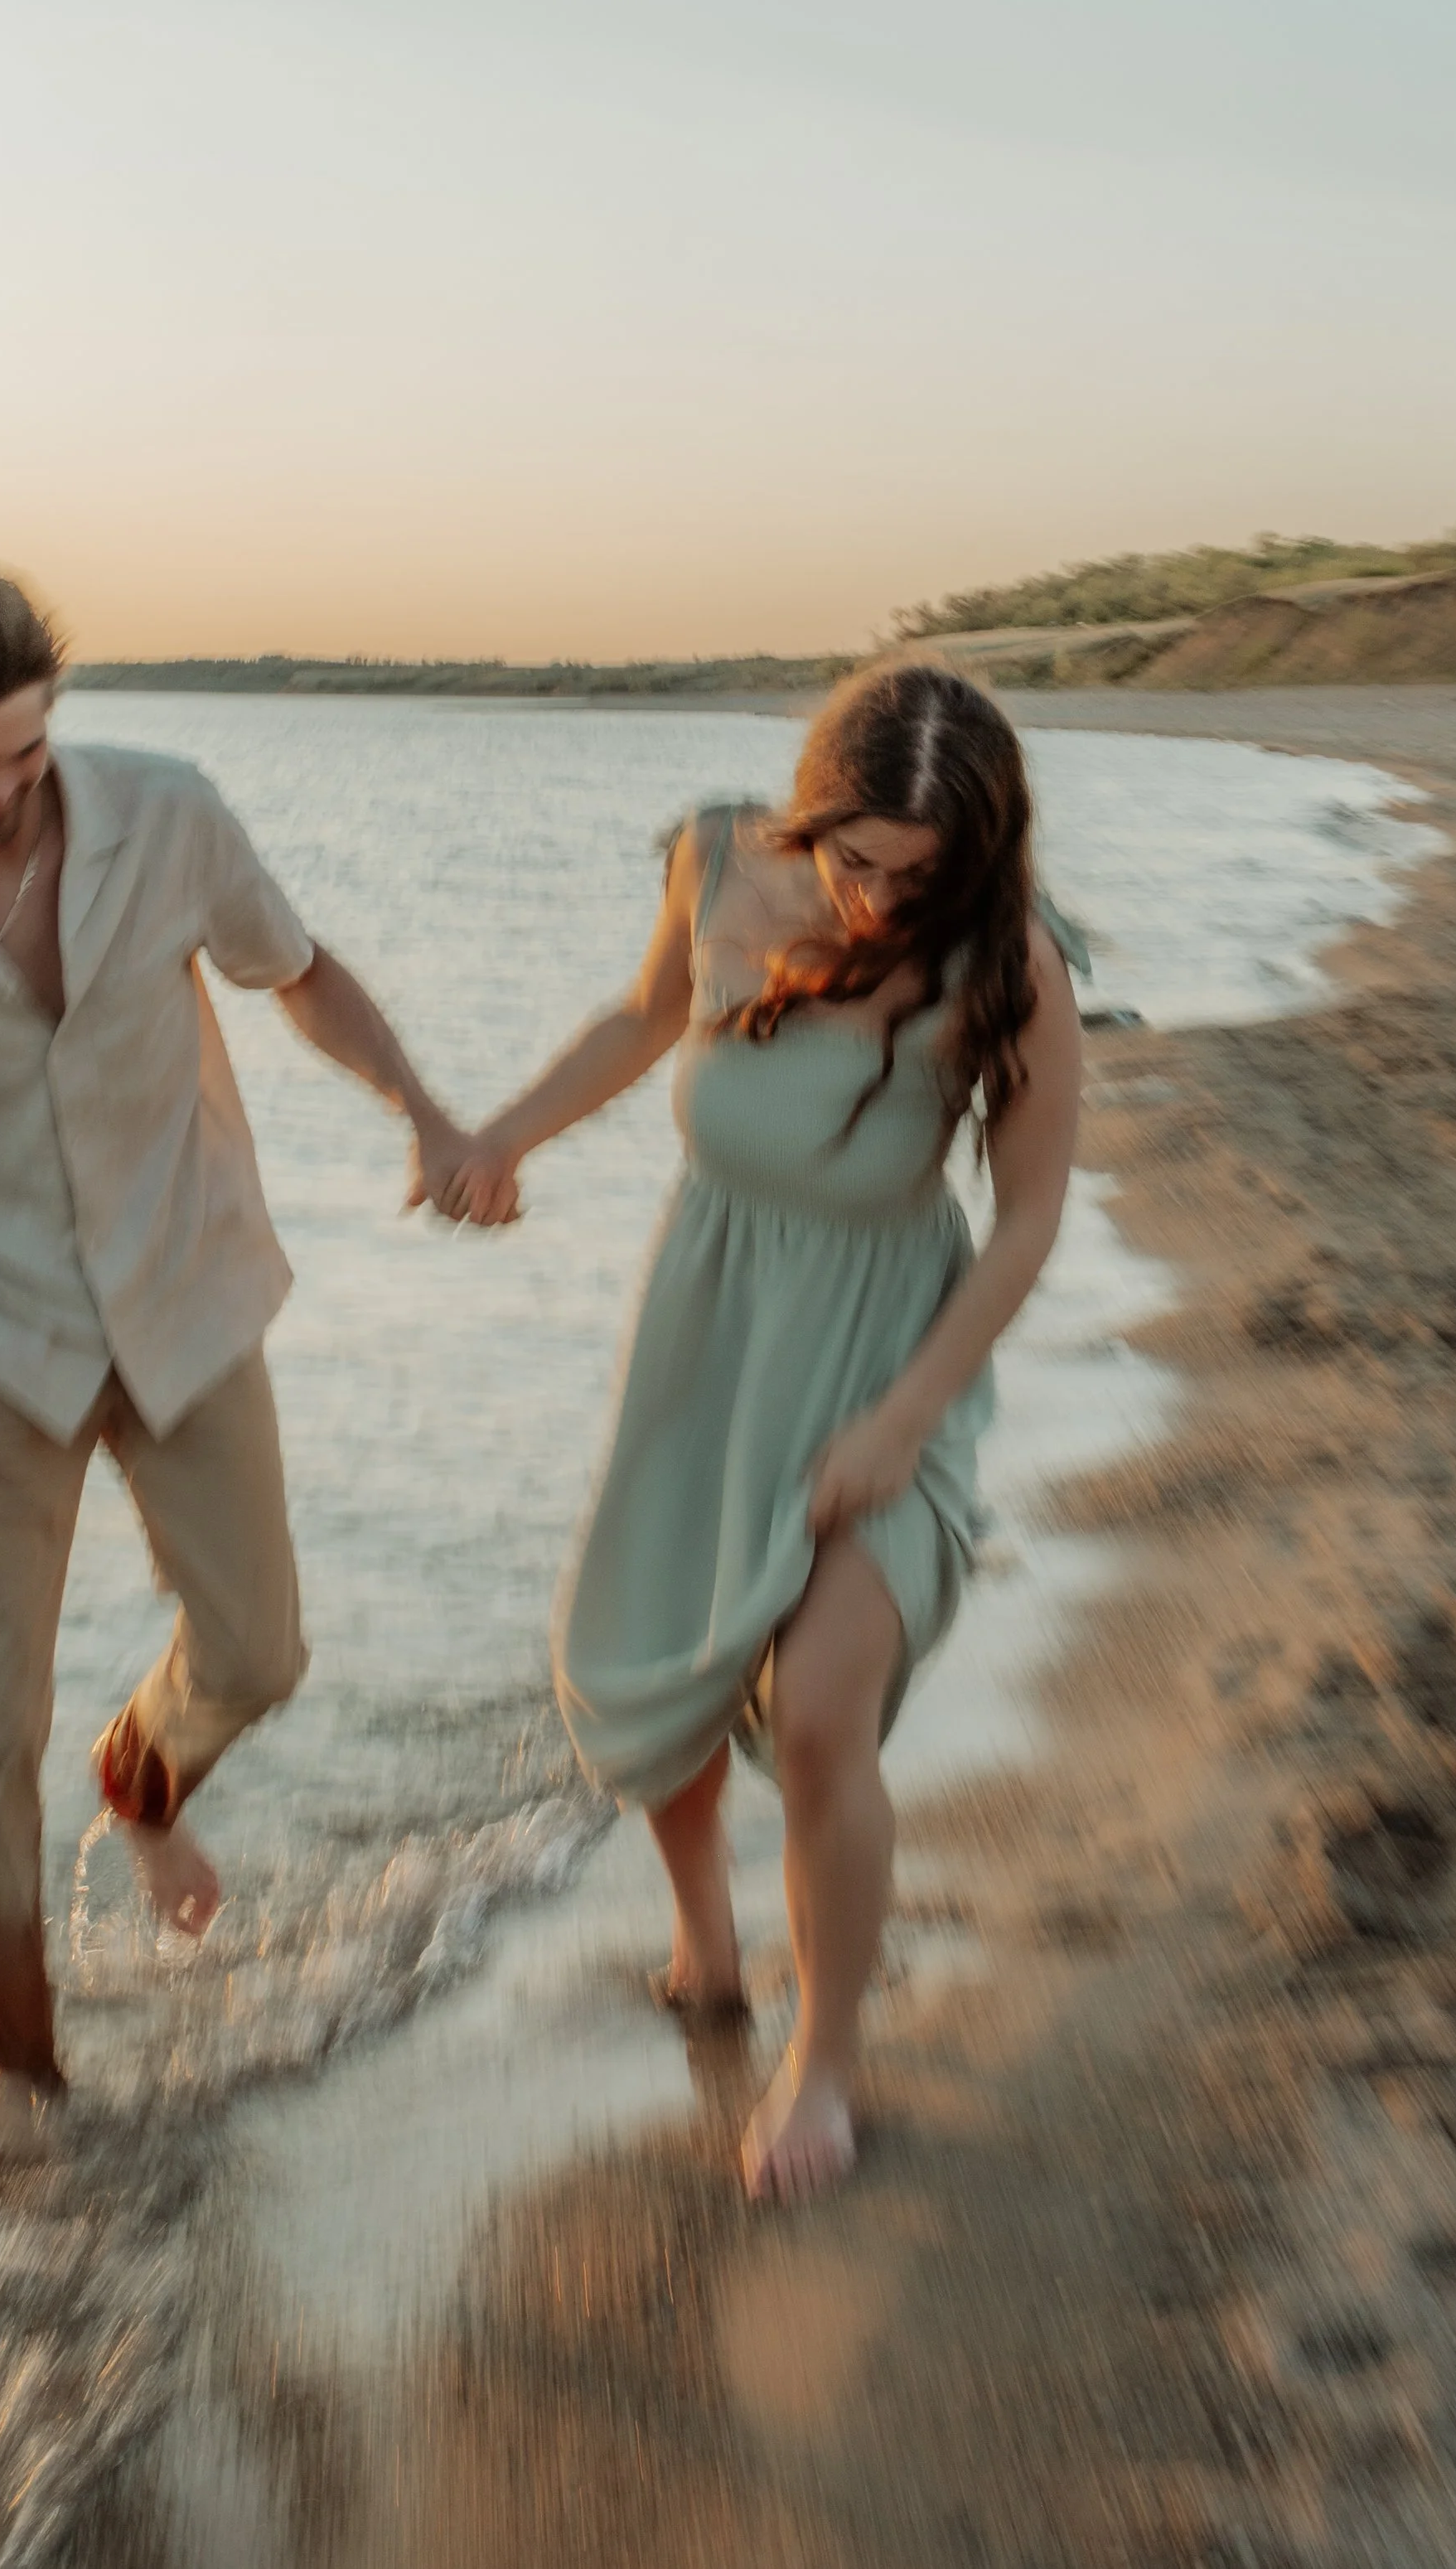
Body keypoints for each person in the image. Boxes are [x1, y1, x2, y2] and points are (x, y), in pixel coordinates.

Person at [0, 565, 468, 2160]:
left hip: (187, 1291)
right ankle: (25, 2093)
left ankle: (144, 1786)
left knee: (258, 1651)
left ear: (56, 718)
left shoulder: (169, 814)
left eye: (24, 757)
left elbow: (298, 971)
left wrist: (424, 1105)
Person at [443, 662, 1084, 2201]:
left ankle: (827, 2058)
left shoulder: (1012, 961)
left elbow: (1032, 1214)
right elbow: (642, 1016)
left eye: (914, 879)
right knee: (652, 1641)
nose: (874, 901)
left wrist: (902, 1421)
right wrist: (503, 1134)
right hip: (711, 1329)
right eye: (852, 861)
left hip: (888, 1362)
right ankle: (707, 1941)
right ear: (807, 817)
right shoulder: (718, 861)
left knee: (817, 1715)